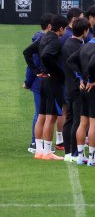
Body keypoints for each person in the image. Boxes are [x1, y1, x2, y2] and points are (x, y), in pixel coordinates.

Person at [23, 15, 68, 160]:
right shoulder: (55, 40)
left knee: (41, 116)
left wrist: (36, 70)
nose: (65, 32)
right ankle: (48, 152)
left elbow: (26, 52)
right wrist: (56, 72)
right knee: (51, 117)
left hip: (42, 82)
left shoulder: (42, 38)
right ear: (60, 28)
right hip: (53, 82)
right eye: (65, 29)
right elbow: (47, 55)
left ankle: (39, 151)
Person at [67, 21, 95, 166]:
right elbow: (92, 65)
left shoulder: (84, 46)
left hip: (84, 91)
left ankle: (81, 157)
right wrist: (90, 79)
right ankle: (92, 158)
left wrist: (81, 77)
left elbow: (70, 61)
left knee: (83, 123)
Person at [61, 17, 89, 162]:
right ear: (85, 31)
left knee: (69, 118)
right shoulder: (80, 47)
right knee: (77, 120)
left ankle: (68, 152)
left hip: (68, 86)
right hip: (78, 87)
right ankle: (74, 152)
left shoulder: (67, 43)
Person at [23, 14, 51, 153]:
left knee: (43, 113)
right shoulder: (40, 42)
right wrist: (28, 82)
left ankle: (41, 142)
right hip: (39, 83)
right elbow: (31, 65)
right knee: (40, 113)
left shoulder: (42, 40)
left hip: (44, 82)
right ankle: (34, 142)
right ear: (49, 26)